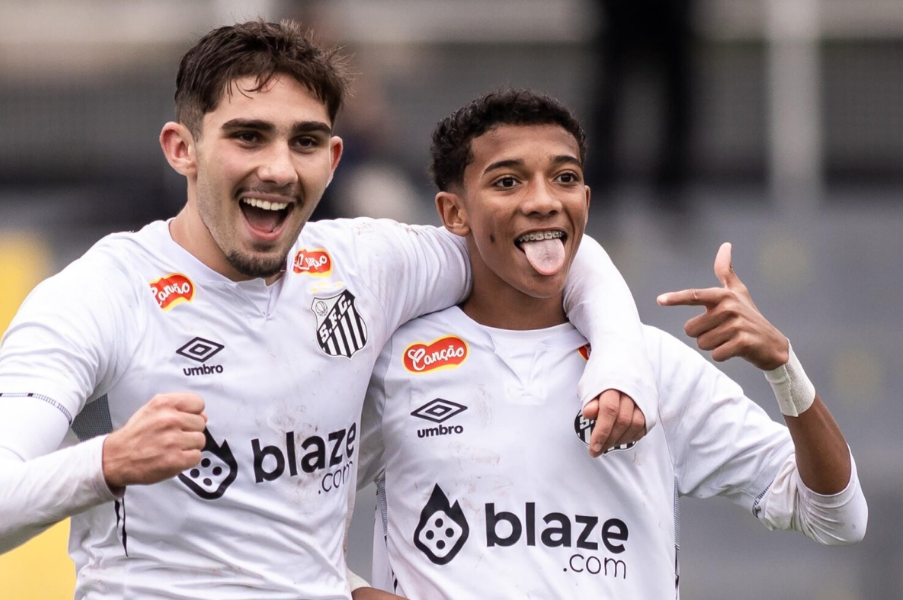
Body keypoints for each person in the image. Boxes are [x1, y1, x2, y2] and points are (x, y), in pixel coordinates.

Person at [0, 22, 657, 600]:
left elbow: (537, 236)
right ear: (182, 148)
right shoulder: (98, 294)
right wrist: (109, 461)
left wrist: (619, 366)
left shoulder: (366, 265)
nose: (279, 167)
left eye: (304, 141)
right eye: (249, 136)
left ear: (333, 159)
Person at [351, 89, 867, 599]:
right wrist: (357, 592)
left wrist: (782, 367)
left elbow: (837, 516)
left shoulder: (652, 364)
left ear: (587, 201)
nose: (544, 201)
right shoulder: (394, 363)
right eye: (507, 181)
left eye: (565, 178)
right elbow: (281, 513)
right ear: (453, 213)